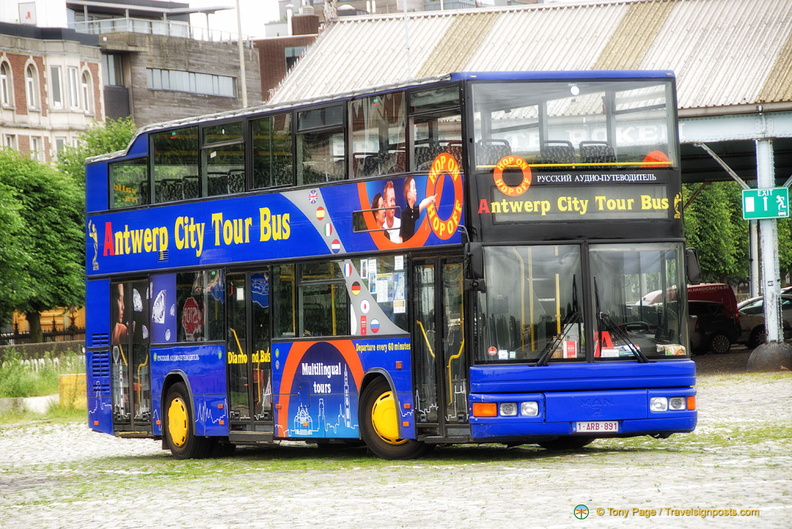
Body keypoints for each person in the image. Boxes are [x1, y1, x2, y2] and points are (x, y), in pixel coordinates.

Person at [399, 176, 436, 242]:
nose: (416, 190)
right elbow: (401, 236)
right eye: (413, 187)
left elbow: (422, 204)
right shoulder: (405, 214)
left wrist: (430, 199)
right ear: (409, 195)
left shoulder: (413, 211)